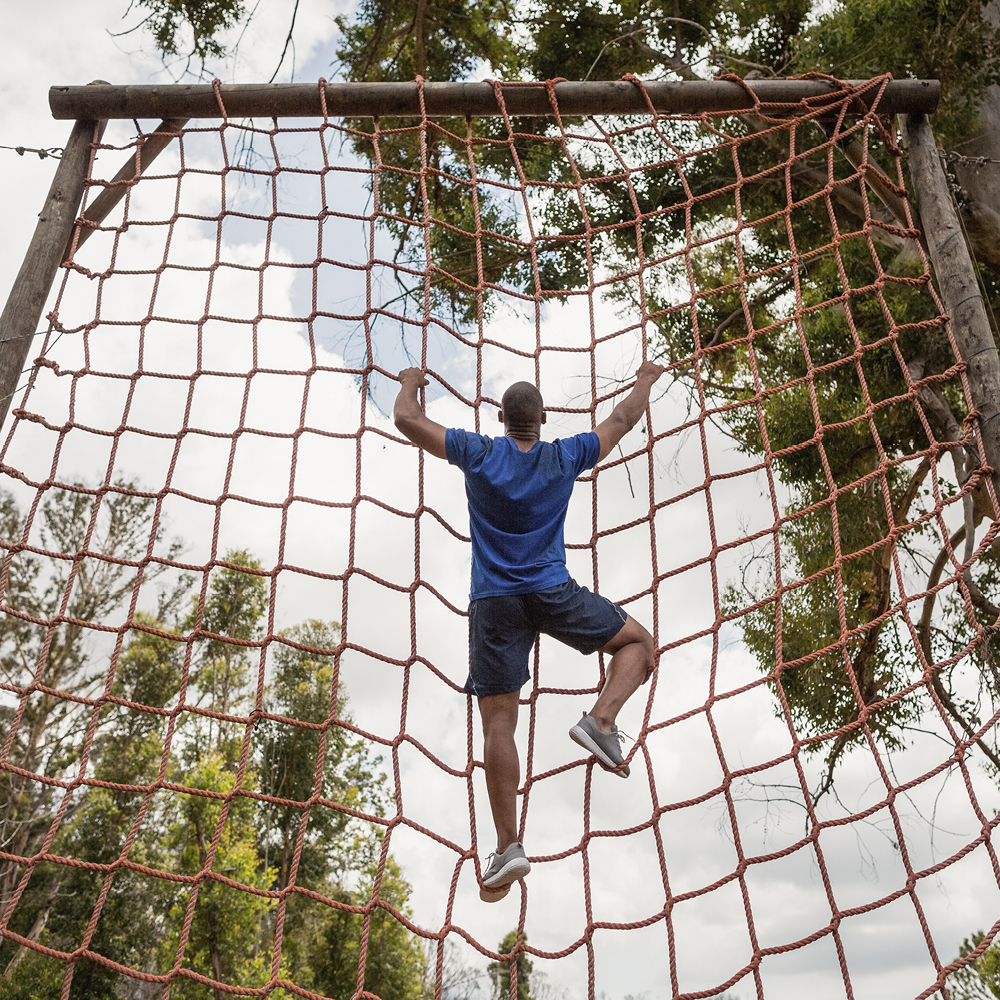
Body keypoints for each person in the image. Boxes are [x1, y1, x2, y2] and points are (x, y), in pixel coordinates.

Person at [392, 361, 664, 902]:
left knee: (499, 725)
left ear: (499, 418)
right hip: (551, 593)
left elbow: (407, 420)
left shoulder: (480, 452)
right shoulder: (563, 456)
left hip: (493, 604)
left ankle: (509, 845)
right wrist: (645, 380)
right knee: (640, 644)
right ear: (543, 417)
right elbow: (621, 420)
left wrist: (409, 384)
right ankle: (601, 719)